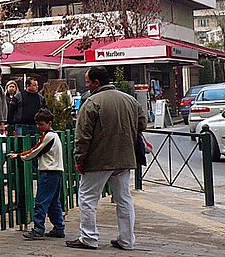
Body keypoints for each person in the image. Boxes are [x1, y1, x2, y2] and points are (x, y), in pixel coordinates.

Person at [65, 66, 147, 251]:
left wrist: (79, 159)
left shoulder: (92, 102)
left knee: (87, 198)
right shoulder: (130, 100)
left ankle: (88, 237)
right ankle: (127, 240)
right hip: (125, 157)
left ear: (96, 83)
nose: (86, 85)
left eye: (88, 81)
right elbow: (142, 123)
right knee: (123, 198)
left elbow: (82, 136)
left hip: (99, 158)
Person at [8, 108, 65, 240]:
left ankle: (38, 229)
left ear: (49, 123)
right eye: (38, 124)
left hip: (48, 171)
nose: (39, 127)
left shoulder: (49, 136)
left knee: (41, 201)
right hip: (56, 171)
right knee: (53, 202)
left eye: (41, 124)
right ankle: (59, 227)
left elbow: (35, 151)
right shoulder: (54, 135)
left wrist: (19, 156)